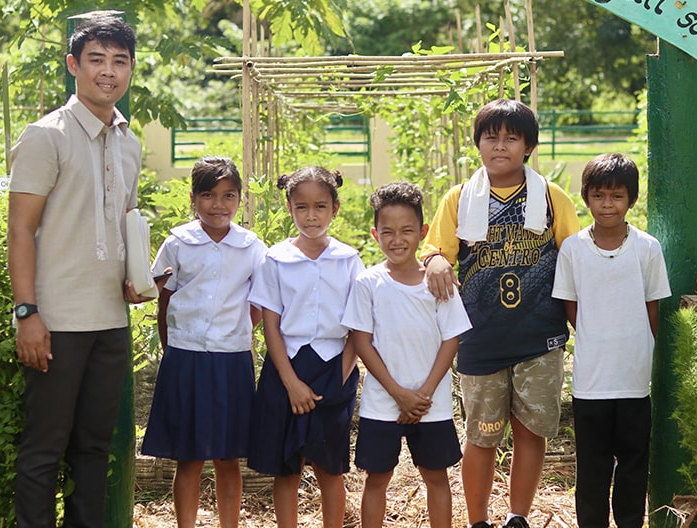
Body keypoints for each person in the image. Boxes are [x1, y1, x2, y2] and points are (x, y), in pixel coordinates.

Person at [7, 15, 161, 527]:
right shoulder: (45, 136)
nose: (109, 72)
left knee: (95, 449)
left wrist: (133, 276)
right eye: (96, 59)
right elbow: (20, 231)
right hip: (55, 322)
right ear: (74, 64)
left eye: (120, 61)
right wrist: (27, 312)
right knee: (43, 450)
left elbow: (123, 227)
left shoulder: (130, 143)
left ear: (131, 69)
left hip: (111, 321)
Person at [421, 98, 580, 528]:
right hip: (482, 339)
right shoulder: (459, 199)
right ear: (478, 144)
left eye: (512, 137)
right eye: (492, 136)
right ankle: (477, 520)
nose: (501, 145)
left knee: (531, 433)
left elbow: (575, 255)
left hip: (539, 338)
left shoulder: (549, 196)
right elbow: (436, 252)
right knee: (482, 435)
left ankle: (518, 517)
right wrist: (435, 259)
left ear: (528, 146)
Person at [140, 155, 267, 528]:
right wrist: (174, 347)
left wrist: (239, 332)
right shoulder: (178, 243)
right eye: (209, 195)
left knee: (228, 456)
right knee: (189, 455)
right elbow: (164, 298)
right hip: (186, 356)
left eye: (229, 196)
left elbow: (258, 303)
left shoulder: (251, 246)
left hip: (231, 359)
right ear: (194, 199)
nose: (218, 205)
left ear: (240, 200)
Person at [550, 153, 671, 528]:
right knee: (592, 466)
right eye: (599, 196)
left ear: (631, 200)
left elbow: (653, 309)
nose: (608, 205)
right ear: (586, 197)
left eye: (617, 196)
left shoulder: (647, 247)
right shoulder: (572, 249)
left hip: (635, 380)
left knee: (634, 462)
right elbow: (571, 307)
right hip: (591, 380)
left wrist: (638, 348)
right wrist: (595, 333)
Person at [342, 182, 472, 528]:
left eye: (407, 231)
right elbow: (362, 342)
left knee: (435, 476)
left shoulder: (438, 283)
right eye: (387, 232)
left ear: (423, 232)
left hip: (432, 405)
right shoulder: (368, 283)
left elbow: (451, 340)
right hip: (382, 403)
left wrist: (424, 393)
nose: (397, 240)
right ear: (374, 234)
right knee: (377, 478)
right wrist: (399, 394)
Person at [247, 166, 363, 528]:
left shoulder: (349, 260)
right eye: (301, 208)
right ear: (289, 207)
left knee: (330, 467)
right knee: (287, 467)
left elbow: (358, 326)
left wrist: (342, 376)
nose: (311, 216)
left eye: (320, 207)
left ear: (335, 209)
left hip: (334, 368)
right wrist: (291, 382)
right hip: (286, 368)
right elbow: (271, 325)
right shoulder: (276, 259)